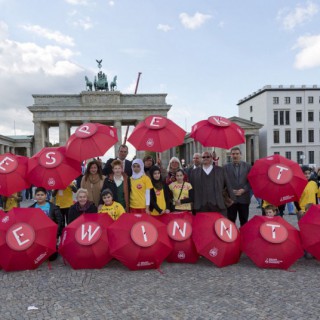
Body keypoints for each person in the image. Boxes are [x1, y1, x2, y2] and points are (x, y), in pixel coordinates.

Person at [189, 151, 234, 216]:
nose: (205, 158)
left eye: (208, 156)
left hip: (218, 205)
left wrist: (231, 198)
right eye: (203, 157)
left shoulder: (220, 170)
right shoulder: (194, 172)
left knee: (218, 225)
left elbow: (228, 185)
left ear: (211, 158)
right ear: (201, 158)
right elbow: (191, 189)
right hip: (200, 206)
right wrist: (191, 203)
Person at [29, 187, 63, 261]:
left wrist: (56, 236)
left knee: (52, 258)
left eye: (42, 195)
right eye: (38, 195)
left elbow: (59, 222)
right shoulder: (31, 208)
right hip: (36, 234)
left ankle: (54, 248)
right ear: (35, 196)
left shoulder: (53, 207)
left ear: (46, 195)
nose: (40, 196)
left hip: (50, 234)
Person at [224, 147, 251, 226]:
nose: (235, 156)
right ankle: (231, 237)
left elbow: (251, 182)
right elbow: (223, 182)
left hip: (244, 199)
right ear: (231, 155)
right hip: (231, 200)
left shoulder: (248, 166)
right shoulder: (225, 167)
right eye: (233, 154)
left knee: (244, 220)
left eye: (237, 154)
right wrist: (230, 190)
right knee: (230, 222)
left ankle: (243, 237)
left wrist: (244, 190)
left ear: (240, 155)